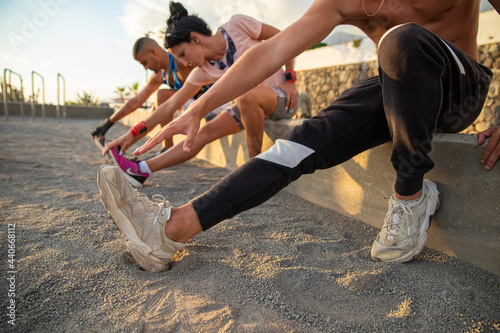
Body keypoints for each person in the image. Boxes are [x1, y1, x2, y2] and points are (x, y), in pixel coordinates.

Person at [97, 0, 500, 273]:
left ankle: (411, 198)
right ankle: (172, 229)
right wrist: (198, 109)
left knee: (401, 40)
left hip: (458, 86)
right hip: (392, 85)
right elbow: (270, 51)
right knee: (301, 141)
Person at [102, 2, 301, 187]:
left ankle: (254, 171)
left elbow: (285, 39)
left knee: (247, 97)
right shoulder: (203, 71)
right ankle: (141, 170)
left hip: (282, 98)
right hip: (248, 108)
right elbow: (169, 106)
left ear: (195, 38)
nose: (184, 63)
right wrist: (131, 135)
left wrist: (290, 79)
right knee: (202, 131)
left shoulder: (237, 26)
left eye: (182, 54)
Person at [91, 36, 199, 154]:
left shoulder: (181, 60)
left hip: (208, 101)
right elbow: (135, 102)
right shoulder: (160, 76)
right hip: (190, 103)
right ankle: (121, 147)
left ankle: (168, 148)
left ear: (153, 52)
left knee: (162, 96)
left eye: (144, 62)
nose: (146, 68)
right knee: (155, 109)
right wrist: (106, 125)